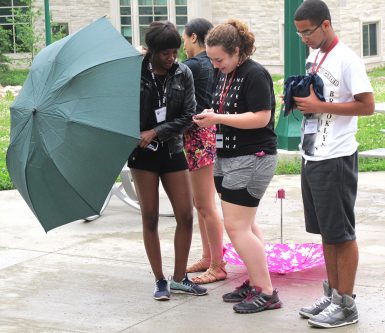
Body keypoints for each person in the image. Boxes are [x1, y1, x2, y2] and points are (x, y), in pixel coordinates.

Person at [292, 0, 375, 328]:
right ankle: (333, 293)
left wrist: (321, 105)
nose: (304, 39)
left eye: (307, 32)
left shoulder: (348, 59)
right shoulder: (315, 55)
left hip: (336, 157)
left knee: (342, 233)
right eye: (299, 34)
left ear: (325, 25)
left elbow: (366, 106)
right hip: (312, 153)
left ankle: (347, 303)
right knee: (326, 232)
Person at [193, 19, 282, 313]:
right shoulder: (227, 73)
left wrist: (218, 119)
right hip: (228, 156)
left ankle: (267, 291)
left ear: (236, 51)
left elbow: (261, 118)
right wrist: (212, 115)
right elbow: (226, 110)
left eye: (219, 59)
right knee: (246, 225)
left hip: (253, 156)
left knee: (237, 227)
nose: (216, 65)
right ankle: (257, 282)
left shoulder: (255, 74)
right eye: (212, 60)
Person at [127, 21, 208, 301]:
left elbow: (189, 115)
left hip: (172, 149)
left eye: (175, 51)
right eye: (166, 53)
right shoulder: (134, 72)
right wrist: (137, 133)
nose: (172, 57)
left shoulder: (183, 73)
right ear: (152, 51)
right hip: (142, 154)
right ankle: (160, 280)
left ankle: (179, 278)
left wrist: (156, 131)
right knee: (149, 217)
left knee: (186, 215)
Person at [182, 18, 226, 284]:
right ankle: (209, 257)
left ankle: (217, 264)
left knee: (205, 205)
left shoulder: (191, 66)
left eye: (185, 39)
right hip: (208, 134)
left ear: (195, 37)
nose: (183, 45)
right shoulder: (214, 65)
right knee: (203, 203)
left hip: (196, 136)